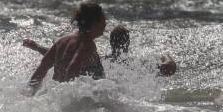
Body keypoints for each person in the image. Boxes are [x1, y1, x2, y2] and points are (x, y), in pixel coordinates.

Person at [24, 23, 177, 76]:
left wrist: (37, 47)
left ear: (111, 43)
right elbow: (168, 69)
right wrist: (166, 56)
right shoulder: (134, 64)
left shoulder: (99, 60)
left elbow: (60, 57)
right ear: (127, 43)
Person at [27, 2, 106, 91]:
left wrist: (29, 91)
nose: (105, 24)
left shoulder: (63, 40)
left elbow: (43, 67)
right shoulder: (87, 44)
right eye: (103, 20)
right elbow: (72, 68)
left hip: (55, 95)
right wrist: (65, 97)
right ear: (94, 22)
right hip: (79, 101)